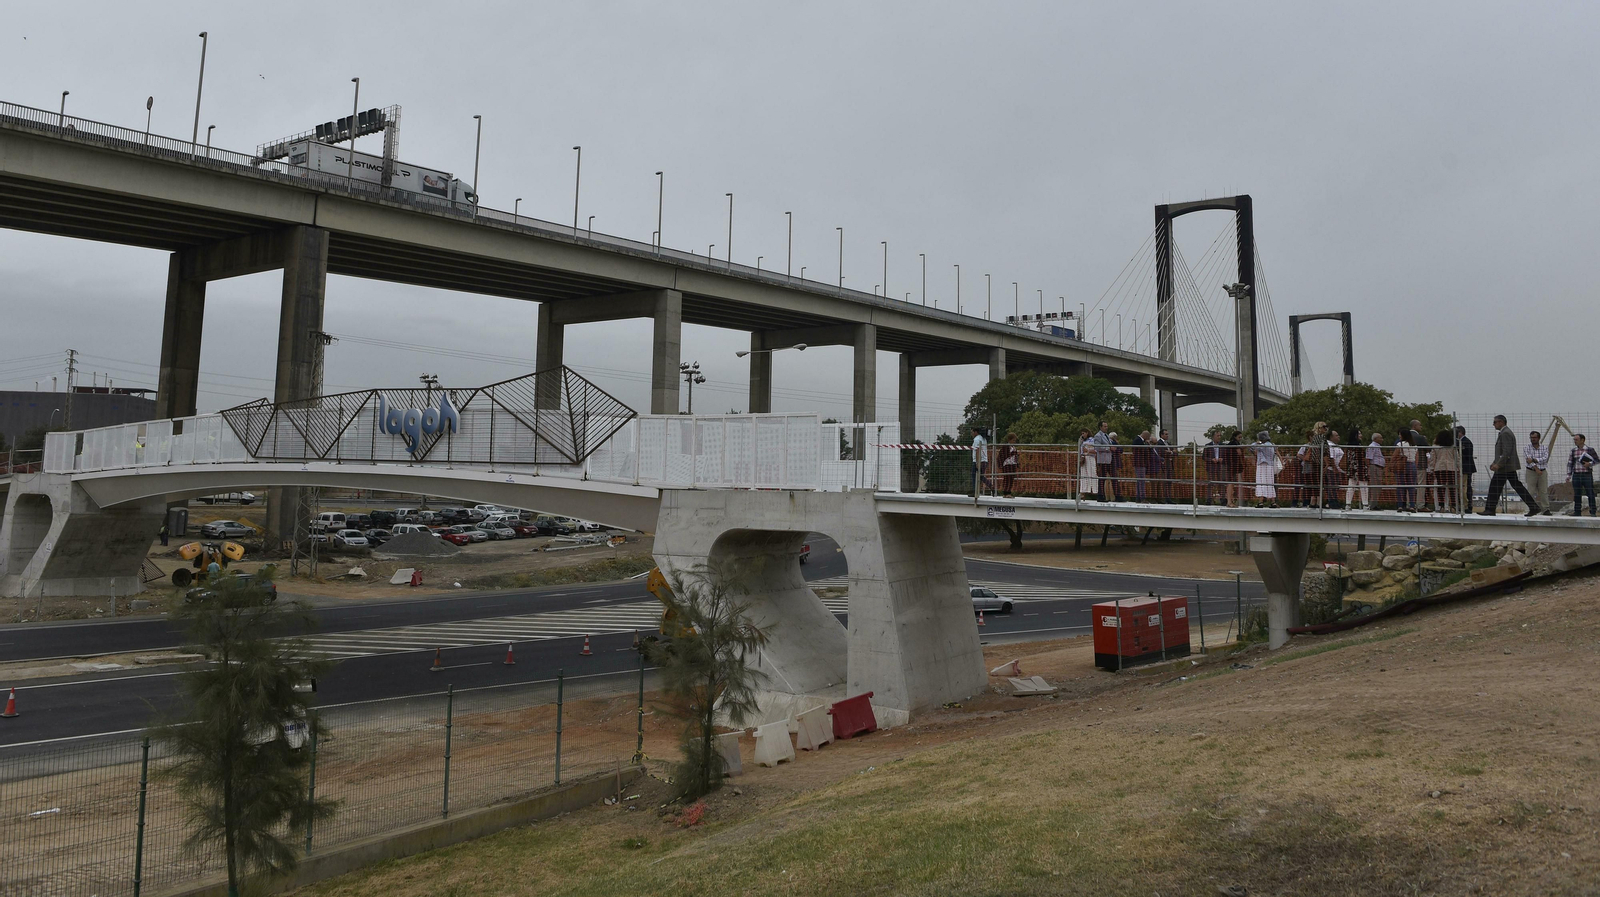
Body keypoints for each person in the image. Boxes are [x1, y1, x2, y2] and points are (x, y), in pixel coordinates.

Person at [1482, 414, 1541, 516]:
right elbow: (1503, 452)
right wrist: (1495, 463)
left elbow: (1506, 452)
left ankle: (1490, 509)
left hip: (1505, 467)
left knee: (1495, 487)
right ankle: (1533, 507)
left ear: (1501, 422)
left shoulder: (1506, 433)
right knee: (1515, 486)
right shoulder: (1504, 433)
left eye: (1495, 422)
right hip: (1506, 466)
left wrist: (1498, 465)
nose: (1493, 424)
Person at [1568, 433, 1598, 516]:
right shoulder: (1573, 451)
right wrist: (1569, 475)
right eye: (1574, 440)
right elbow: (1570, 463)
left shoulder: (1590, 450)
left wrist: (1590, 463)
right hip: (1576, 474)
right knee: (1577, 494)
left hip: (1586, 474)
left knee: (1590, 493)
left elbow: (1597, 460)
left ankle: (1593, 512)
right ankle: (1577, 512)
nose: (1575, 441)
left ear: (1582, 440)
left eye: (1576, 440)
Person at [1429, 429, 1458, 513]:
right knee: (1452, 488)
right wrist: (1459, 468)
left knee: (1441, 488)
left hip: (1439, 468)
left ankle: (1441, 506)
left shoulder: (1435, 446)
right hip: (1451, 468)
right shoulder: (1453, 446)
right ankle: (1453, 506)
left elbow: (1432, 459)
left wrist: (1432, 469)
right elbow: (1457, 458)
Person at [1524, 430, 1551, 514]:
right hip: (1531, 471)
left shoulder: (1544, 448)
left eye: (1535, 438)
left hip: (1543, 472)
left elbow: (1545, 458)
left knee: (1543, 491)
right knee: (1531, 491)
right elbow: (1528, 460)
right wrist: (1536, 468)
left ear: (1538, 438)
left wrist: (1534, 459)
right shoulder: (1526, 448)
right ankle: (1532, 508)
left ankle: (1545, 509)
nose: (1533, 439)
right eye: (1531, 438)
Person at [1252, 430, 1280, 507]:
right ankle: (1273, 501)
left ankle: (1260, 501)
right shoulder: (1272, 445)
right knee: (1270, 483)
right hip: (1270, 466)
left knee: (1261, 482)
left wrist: (1258, 443)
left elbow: (1252, 446)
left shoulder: (1262, 446)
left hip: (1262, 465)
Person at [1393, 430, 1418, 512]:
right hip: (1412, 465)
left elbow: (1395, 456)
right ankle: (1412, 505)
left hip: (1402, 466)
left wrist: (1392, 463)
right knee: (1411, 487)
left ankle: (1400, 505)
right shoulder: (1414, 445)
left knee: (1400, 486)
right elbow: (1416, 458)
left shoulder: (1400, 444)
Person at [1344, 427, 1368, 509]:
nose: (1361, 435)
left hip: (1351, 467)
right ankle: (1365, 504)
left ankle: (1348, 504)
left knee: (1351, 486)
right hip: (1360, 467)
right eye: (1359, 433)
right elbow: (1360, 457)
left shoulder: (1348, 446)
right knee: (1363, 485)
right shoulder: (1358, 446)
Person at [1456, 425, 1476, 513]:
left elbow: (1467, 455)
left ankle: (1468, 505)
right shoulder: (1461, 442)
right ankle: (1464, 504)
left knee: (1466, 487)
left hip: (1466, 468)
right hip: (1463, 467)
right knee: (1464, 486)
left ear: (1460, 433)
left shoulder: (1466, 442)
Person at [1204, 430, 1227, 505]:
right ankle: (1209, 499)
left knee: (1221, 483)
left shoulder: (1223, 446)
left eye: (1220, 435)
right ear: (1213, 437)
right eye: (1217, 436)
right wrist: (1211, 459)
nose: (1219, 437)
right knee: (1210, 483)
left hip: (1220, 467)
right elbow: (1204, 457)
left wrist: (1222, 459)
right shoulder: (1208, 446)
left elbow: (1226, 456)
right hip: (1211, 467)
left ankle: (1223, 499)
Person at [1092, 421, 1114, 501]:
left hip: (1109, 460)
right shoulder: (1098, 436)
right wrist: (1108, 448)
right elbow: (1097, 447)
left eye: (1107, 426)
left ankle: (1117, 496)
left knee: (1113, 477)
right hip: (1102, 460)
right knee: (1102, 478)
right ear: (1100, 427)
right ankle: (1100, 496)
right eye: (1105, 426)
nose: (1106, 428)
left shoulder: (1107, 436)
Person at [1365, 432, 1387, 509]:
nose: (1382, 439)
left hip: (1379, 468)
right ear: (1375, 439)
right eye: (1380, 438)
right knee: (1374, 486)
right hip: (1374, 467)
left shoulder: (1378, 447)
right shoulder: (1372, 446)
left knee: (1378, 487)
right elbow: (1368, 458)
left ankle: (1375, 503)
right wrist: (1369, 469)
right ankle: (1372, 505)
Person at [971, 427, 992, 495]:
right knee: (980, 476)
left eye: (972, 432)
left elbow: (977, 450)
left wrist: (977, 462)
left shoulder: (977, 439)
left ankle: (975, 491)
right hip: (984, 460)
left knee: (975, 476)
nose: (971, 434)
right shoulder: (984, 439)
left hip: (979, 460)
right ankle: (990, 486)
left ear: (975, 432)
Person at [1077, 428, 1097, 498]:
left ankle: (1094, 490)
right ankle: (1083, 491)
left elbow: (1095, 450)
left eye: (1083, 433)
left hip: (1090, 457)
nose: (1082, 435)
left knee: (1091, 473)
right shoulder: (1082, 441)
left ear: (1087, 433)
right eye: (1081, 434)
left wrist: (1087, 450)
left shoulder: (1092, 440)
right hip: (1084, 458)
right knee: (1083, 474)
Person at [998, 431, 1019, 497]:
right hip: (1007, 464)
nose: (1014, 441)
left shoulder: (1014, 447)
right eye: (1013, 440)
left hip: (1013, 464)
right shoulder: (1006, 447)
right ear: (1009, 440)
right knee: (1007, 478)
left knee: (1011, 478)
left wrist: (1017, 462)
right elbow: (1004, 455)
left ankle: (1009, 492)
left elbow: (1015, 456)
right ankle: (1006, 492)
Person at [1131, 430, 1151, 502]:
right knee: (1141, 480)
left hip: (1140, 463)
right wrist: (1147, 445)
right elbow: (1143, 451)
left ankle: (1139, 497)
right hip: (1139, 463)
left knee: (1140, 480)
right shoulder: (1138, 441)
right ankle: (1142, 497)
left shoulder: (1139, 440)